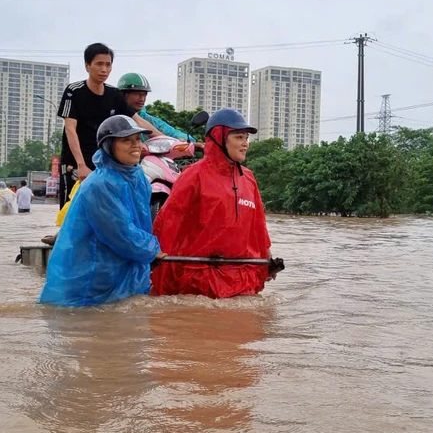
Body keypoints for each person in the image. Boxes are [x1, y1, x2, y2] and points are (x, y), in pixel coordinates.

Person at [39, 115, 166, 307]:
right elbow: (119, 232)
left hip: (120, 268)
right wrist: (152, 250)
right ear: (108, 146)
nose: (135, 145)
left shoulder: (137, 176)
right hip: (91, 277)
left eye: (138, 139)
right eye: (126, 140)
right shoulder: (100, 184)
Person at [150, 108, 275, 299]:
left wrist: (268, 262)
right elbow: (168, 222)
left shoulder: (248, 179)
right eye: (239, 137)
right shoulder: (194, 175)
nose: (245, 144)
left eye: (246, 138)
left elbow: (258, 226)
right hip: (200, 282)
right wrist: (156, 260)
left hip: (243, 279)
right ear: (219, 137)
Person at [55, 42, 163, 208]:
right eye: (99, 64)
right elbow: (70, 129)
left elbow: (138, 120)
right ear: (87, 65)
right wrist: (81, 165)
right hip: (77, 163)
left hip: (106, 162)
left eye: (108, 65)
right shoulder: (74, 91)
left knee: (108, 209)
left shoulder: (114, 95)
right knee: (72, 209)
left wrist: (164, 139)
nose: (104, 69)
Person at [117, 72, 202, 147]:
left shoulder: (148, 120)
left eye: (144, 94)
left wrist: (184, 140)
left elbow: (171, 132)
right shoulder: (113, 117)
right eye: (137, 94)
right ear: (123, 94)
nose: (142, 99)